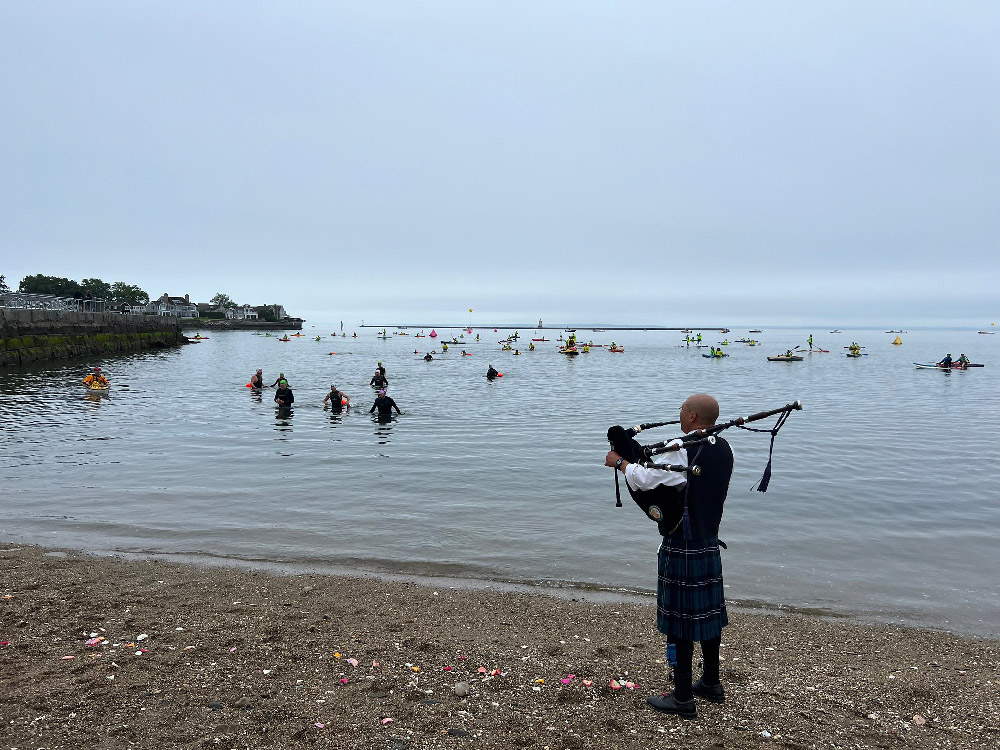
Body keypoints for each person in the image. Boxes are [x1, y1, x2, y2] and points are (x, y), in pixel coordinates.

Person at [605, 394, 733, 719]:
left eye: (681, 410)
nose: (678, 414)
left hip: (682, 544)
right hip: (708, 540)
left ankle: (682, 697)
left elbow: (646, 478)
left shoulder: (684, 447)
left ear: (691, 416)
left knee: (681, 622)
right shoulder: (723, 448)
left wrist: (619, 463)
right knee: (707, 617)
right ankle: (712, 683)